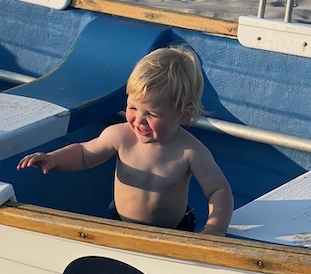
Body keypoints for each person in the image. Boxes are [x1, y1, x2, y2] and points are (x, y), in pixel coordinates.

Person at [17, 46, 233, 235]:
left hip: (173, 232)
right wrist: (53, 159)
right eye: (132, 107)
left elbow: (219, 190)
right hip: (121, 224)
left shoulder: (190, 151)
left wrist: (215, 227)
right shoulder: (121, 136)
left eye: (152, 114)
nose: (139, 119)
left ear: (184, 115)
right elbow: (84, 154)